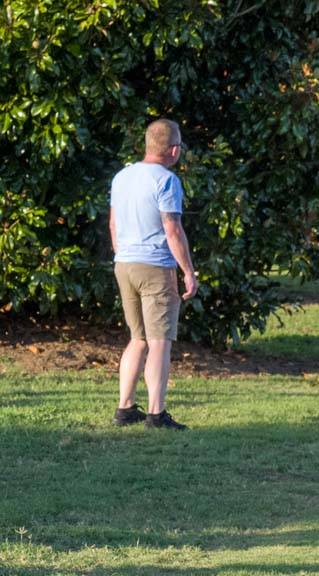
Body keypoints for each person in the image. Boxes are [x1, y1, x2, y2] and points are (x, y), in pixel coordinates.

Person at [109, 118, 198, 430]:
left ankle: (125, 408)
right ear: (173, 149)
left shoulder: (122, 177)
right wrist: (188, 270)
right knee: (160, 342)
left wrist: (124, 254)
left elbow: (113, 226)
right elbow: (172, 230)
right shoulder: (166, 180)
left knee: (138, 338)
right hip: (156, 266)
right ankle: (156, 414)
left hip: (124, 263)